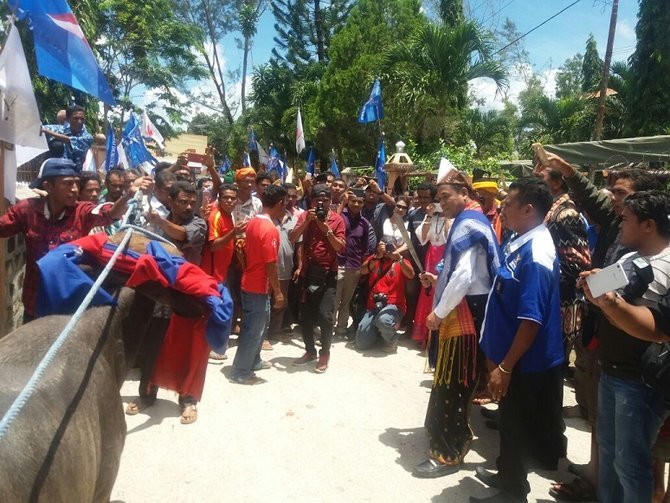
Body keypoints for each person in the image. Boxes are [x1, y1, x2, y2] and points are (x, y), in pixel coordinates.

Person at [544, 154, 660, 501]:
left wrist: (605, 296)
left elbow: (651, 320)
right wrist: (597, 289)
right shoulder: (624, 241)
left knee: (633, 459)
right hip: (608, 352)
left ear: (647, 215)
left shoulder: (658, 257)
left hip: (638, 370)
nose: (611, 198)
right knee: (610, 444)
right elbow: (611, 282)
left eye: (620, 193)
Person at [473, 178, 566, 503]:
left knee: (516, 426)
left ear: (528, 209)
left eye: (508, 204)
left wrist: (506, 366)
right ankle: (506, 473)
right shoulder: (520, 239)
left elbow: (531, 320)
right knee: (509, 423)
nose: (502, 209)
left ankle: (513, 493)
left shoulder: (537, 252)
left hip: (525, 362)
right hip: (510, 358)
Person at [578, 190, 670, 503]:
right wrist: (592, 284)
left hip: (641, 382)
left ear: (649, 225)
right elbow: (602, 296)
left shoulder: (667, 266)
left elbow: (659, 331)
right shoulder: (630, 257)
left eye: (626, 219)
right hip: (611, 371)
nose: (619, 225)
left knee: (630, 465)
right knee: (609, 456)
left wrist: (610, 303)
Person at [413, 170, 501, 479]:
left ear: (465, 192)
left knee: (453, 382)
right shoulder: (472, 220)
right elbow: (470, 274)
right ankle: (447, 436)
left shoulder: (470, 223)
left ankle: (448, 452)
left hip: (464, 312)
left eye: (446, 196)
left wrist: (438, 311)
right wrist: (438, 280)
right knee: (451, 381)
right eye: (439, 199)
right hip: (466, 305)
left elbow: (465, 277)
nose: (441, 203)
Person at [0, 158, 149, 322]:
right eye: (68, 183)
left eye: (77, 183)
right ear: (48, 186)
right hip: (34, 300)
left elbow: (109, 214)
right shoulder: (26, 210)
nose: (75, 189)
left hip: (69, 303)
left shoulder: (82, 211)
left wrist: (129, 194)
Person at [138, 181, 208, 424]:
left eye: (192, 202)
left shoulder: (198, 223)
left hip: (187, 297)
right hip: (158, 294)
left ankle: (188, 400)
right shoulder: (155, 220)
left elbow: (183, 236)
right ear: (170, 200)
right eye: (182, 202)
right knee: (153, 345)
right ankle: (147, 395)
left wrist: (159, 222)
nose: (189, 206)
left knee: (189, 350)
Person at [230, 185, 287, 384]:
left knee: (259, 328)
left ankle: (253, 361)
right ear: (280, 203)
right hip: (256, 287)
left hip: (252, 283)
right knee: (253, 331)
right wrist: (278, 292)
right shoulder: (269, 229)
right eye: (285, 203)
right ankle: (240, 372)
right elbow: (270, 264)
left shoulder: (253, 221)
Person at [289, 184, 346, 373]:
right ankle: (310, 351)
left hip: (328, 273)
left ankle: (324, 354)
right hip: (307, 272)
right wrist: (307, 222)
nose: (320, 203)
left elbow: (340, 247)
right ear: (311, 201)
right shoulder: (305, 216)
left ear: (330, 201)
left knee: (325, 316)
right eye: (316, 199)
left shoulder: (337, 220)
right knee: (305, 316)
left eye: (325, 199)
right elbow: (292, 237)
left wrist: (325, 228)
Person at [355, 241, 414, 352]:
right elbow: (362, 270)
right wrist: (378, 256)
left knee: (383, 320)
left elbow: (411, 274)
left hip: (394, 306)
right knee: (361, 343)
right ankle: (381, 333)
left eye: (391, 246)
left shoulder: (401, 261)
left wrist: (399, 258)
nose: (388, 249)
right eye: (385, 246)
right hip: (373, 305)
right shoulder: (375, 259)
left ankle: (392, 340)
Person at [334, 188, 376, 339]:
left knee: (346, 301)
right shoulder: (340, 217)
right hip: (337, 263)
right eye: (353, 201)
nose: (356, 204)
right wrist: (342, 203)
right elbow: (331, 224)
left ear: (363, 203)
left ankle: (341, 329)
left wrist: (362, 268)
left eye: (359, 202)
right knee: (334, 299)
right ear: (348, 202)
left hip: (354, 266)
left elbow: (365, 248)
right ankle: (328, 329)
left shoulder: (364, 224)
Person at [410, 200, 450, 348]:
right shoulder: (431, 217)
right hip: (431, 255)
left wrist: (446, 215)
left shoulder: (451, 218)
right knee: (427, 292)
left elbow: (449, 235)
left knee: (440, 292)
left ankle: (436, 336)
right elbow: (422, 238)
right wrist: (428, 215)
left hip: (444, 255)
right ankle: (424, 335)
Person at [267, 183, 303, 340]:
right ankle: (263, 335)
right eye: (286, 196)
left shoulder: (294, 219)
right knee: (265, 303)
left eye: (293, 196)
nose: (289, 199)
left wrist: (300, 265)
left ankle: (274, 332)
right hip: (267, 269)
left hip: (285, 268)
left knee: (281, 302)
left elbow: (299, 244)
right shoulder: (267, 218)